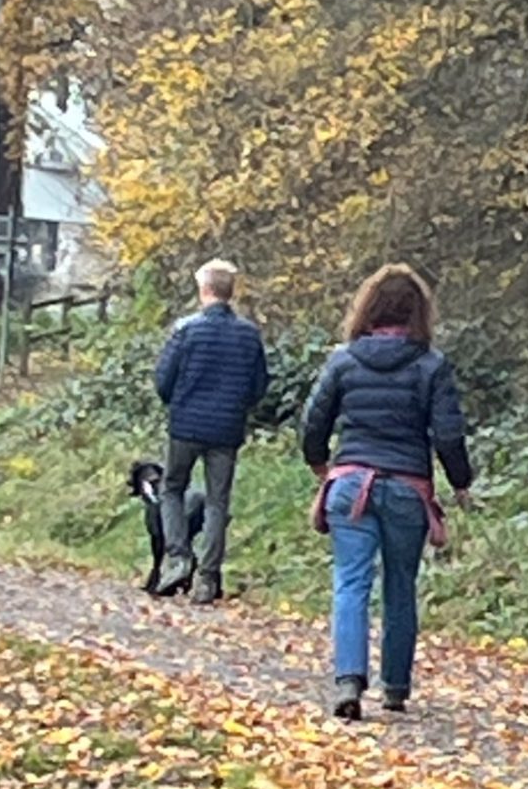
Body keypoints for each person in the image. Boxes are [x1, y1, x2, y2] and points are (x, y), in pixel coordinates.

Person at [301, 263, 472, 721]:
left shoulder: (344, 360)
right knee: (401, 587)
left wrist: (320, 464)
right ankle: (395, 687)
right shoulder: (431, 365)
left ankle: (348, 681)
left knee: (350, 582)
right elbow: (448, 435)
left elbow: (314, 421)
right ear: (419, 313)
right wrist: (460, 483)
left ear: (368, 308)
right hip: (406, 489)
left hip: (350, 481)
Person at [154, 258, 270, 604]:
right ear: (230, 292)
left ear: (204, 289)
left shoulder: (186, 330)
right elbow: (259, 385)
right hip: (226, 429)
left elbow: (164, 379)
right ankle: (208, 577)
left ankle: (177, 557)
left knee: (172, 488)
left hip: (186, 425)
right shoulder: (249, 334)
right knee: (218, 502)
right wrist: (237, 407)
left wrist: (177, 401)